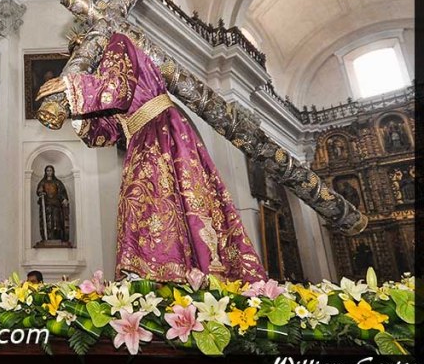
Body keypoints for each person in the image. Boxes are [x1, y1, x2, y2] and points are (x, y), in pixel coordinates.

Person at [37, 32, 267, 284]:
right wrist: (76, 107)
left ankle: (171, 273)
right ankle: (155, 275)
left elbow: (119, 90)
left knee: (157, 199)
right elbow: (109, 132)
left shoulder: (117, 42)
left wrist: (72, 84)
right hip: (140, 137)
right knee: (142, 202)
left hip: (160, 130)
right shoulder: (100, 80)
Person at [36, 165, 70, 243]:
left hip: (56, 205)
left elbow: (62, 192)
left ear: (53, 172)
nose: (49, 172)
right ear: (45, 172)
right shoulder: (42, 182)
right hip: (46, 205)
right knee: (47, 221)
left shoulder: (57, 182)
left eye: (50, 170)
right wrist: (41, 192)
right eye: (47, 170)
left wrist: (64, 199)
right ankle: (47, 237)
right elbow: (39, 191)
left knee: (56, 221)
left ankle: (57, 237)